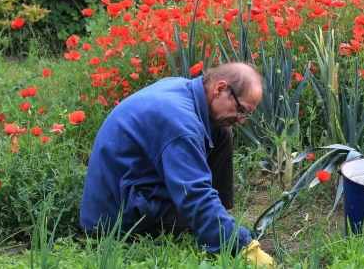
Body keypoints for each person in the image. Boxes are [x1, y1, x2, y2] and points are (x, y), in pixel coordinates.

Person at [80, 62, 274, 267]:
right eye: (241, 109)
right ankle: (221, 234)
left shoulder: (186, 90)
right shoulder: (181, 125)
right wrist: (241, 244)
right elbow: (193, 194)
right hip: (115, 216)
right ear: (220, 89)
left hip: (133, 186)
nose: (242, 120)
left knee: (223, 131)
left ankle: (220, 222)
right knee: (196, 210)